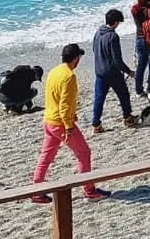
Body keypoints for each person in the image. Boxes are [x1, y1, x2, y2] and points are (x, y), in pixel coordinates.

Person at [30, 43, 106, 203]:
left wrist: (71, 116)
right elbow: (64, 105)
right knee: (84, 153)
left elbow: (54, 97)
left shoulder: (54, 71)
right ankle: (89, 190)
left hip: (49, 120)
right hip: (60, 123)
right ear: (76, 59)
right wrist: (69, 126)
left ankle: (36, 191)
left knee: (47, 155)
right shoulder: (69, 76)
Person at [90, 9, 137, 132]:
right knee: (123, 95)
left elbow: (94, 50)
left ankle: (96, 124)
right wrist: (129, 72)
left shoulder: (97, 32)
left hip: (99, 71)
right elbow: (117, 60)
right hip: (112, 72)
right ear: (115, 22)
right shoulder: (113, 36)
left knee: (99, 98)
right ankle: (128, 118)